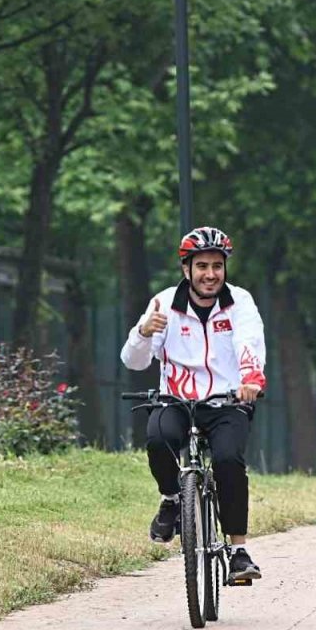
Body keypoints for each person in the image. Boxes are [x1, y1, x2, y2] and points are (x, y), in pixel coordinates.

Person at [120, 226, 266, 583]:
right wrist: (143, 332)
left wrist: (250, 380)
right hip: (177, 399)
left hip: (227, 401)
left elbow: (249, 342)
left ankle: (237, 551)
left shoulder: (240, 302)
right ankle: (172, 498)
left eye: (217, 266)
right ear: (187, 269)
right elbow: (133, 362)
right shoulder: (164, 304)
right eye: (202, 266)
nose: (210, 274)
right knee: (158, 438)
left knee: (229, 461)